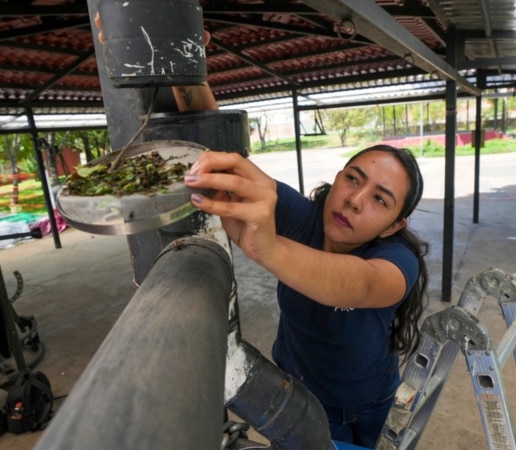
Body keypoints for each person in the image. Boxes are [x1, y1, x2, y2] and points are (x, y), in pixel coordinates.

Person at [94, 17, 429, 447]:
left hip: (363, 405)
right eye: (353, 178)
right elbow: (223, 159)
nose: (355, 200)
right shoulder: (306, 217)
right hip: (296, 393)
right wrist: (180, 68)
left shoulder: (396, 260)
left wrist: (267, 247)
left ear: (395, 224)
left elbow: (358, 286)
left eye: (380, 200)